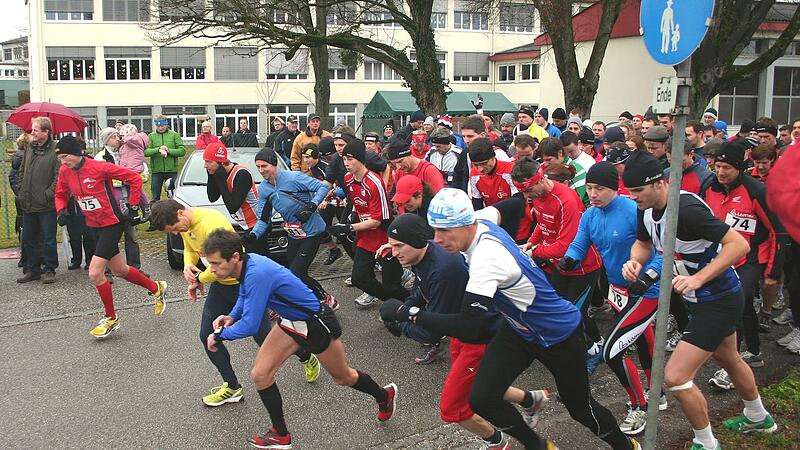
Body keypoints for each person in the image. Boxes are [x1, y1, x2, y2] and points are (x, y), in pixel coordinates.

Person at [418, 188, 640, 450]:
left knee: (580, 409)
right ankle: (538, 446)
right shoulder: (483, 218)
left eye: (446, 231)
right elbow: (513, 204)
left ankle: (626, 446)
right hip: (520, 330)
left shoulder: (487, 260)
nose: (438, 239)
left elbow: (469, 325)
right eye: (435, 230)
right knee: (482, 398)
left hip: (558, 333)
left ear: (468, 224)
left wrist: (411, 314)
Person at [622, 150, 777, 450]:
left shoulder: (686, 209)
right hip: (701, 297)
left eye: (638, 191)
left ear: (658, 183)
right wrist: (635, 262)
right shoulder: (645, 208)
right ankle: (758, 417)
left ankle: (706, 443)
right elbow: (643, 244)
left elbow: (738, 245)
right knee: (728, 357)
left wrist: (698, 278)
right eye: (630, 193)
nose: (634, 198)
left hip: (717, 297)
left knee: (676, 377)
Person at [202, 229, 397, 449]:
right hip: (290, 322)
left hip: (315, 323)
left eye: (216, 263)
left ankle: (384, 395)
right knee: (260, 374)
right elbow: (245, 295)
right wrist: (231, 316)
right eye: (211, 263)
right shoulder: (245, 265)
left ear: (235, 256)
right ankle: (280, 434)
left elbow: (251, 324)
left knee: (343, 377)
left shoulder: (256, 271)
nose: (213, 269)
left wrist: (219, 336)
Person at [378, 214, 551, 447]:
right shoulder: (422, 255)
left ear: (418, 241)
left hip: (479, 337)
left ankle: (499, 443)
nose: (394, 252)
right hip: (464, 331)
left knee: (452, 408)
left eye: (399, 246)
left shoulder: (443, 271)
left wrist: (401, 326)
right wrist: (405, 307)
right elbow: (422, 290)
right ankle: (531, 399)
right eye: (392, 245)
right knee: (476, 382)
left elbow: (431, 333)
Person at [149, 200, 320, 405]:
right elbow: (190, 248)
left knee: (263, 338)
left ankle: (305, 355)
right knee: (206, 334)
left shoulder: (212, 223)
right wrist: (187, 266)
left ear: (180, 213)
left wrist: (198, 280)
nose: (177, 233)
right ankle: (232, 386)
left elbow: (225, 265)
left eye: (175, 228)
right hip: (221, 286)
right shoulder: (185, 225)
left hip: (242, 284)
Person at [564, 162, 665, 436]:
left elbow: (661, 250)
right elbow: (580, 242)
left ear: (614, 188)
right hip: (617, 288)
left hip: (646, 290)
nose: (593, 193)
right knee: (642, 337)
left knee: (614, 350)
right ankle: (659, 390)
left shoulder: (635, 211)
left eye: (600, 188)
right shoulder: (590, 215)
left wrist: (650, 275)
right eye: (590, 187)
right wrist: (569, 260)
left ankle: (640, 406)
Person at [53, 136, 168, 338]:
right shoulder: (65, 171)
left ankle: (111, 317)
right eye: (60, 158)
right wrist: (61, 209)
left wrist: (133, 205)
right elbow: (60, 193)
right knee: (119, 270)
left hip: (112, 223)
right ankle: (156, 287)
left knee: (95, 272)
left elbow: (133, 178)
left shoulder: (99, 167)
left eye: (65, 157)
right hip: (93, 225)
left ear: (77, 154)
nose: (63, 162)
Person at [513, 159, 606, 373]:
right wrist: (531, 241)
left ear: (540, 179)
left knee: (571, 315)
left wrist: (533, 251)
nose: (527, 197)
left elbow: (566, 245)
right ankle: (597, 343)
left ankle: (588, 354)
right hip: (559, 266)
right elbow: (542, 224)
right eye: (522, 192)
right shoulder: (538, 197)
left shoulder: (566, 199)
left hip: (583, 267)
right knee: (562, 310)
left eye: (528, 190)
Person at [703, 140, 784, 381]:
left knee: (733, 300)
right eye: (717, 166)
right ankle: (755, 352)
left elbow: (777, 231)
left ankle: (732, 366)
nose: (720, 172)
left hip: (751, 257)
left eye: (727, 167)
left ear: (739, 167)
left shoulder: (756, 191)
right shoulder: (711, 188)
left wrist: (772, 272)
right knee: (744, 304)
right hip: (722, 256)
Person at [247, 148, 339, 311]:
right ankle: (308, 300)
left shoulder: (293, 177)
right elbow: (263, 220)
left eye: (264, 166)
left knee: (296, 273)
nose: (261, 171)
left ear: (274, 164)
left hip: (312, 231)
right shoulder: (264, 189)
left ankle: (325, 299)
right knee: (293, 273)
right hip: (294, 234)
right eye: (258, 167)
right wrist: (252, 236)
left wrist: (311, 206)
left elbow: (323, 187)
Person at [328, 139, 408, 308]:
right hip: (366, 234)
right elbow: (357, 202)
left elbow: (377, 221)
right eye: (344, 159)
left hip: (384, 236)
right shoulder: (348, 179)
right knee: (359, 278)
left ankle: (412, 305)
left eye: (351, 159)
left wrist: (348, 227)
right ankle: (394, 305)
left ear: (361, 159)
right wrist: (352, 215)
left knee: (392, 286)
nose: (347, 163)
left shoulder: (374, 182)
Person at [16, 117, 60, 284]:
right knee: (28, 237)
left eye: (35, 130)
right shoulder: (29, 148)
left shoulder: (55, 149)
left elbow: (58, 175)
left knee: (48, 238)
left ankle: (50, 269)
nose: (32, 132)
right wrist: (20, 190)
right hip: (27, 201)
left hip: (46, 203)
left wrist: (48, 194)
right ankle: (33, 269)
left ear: (46, 131)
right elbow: (22, 170)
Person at [95, 127, 145, 267]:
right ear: (106, 140)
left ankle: (134, 267)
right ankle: (108, 270)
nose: (118, 139)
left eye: (118, 136)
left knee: (132, 236)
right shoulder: (100, 157)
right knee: (110, 238)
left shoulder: (126, 152)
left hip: (128, 198)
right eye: (114, 137)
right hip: (111, 202)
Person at [203, 142, 260, 234]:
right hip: (242, 225)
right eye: (205, 161)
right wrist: (211, 176)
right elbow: (212, 198)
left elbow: (232, 207)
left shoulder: (241, 174)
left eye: (208, 162)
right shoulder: (217, 172)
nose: (205, 165)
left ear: (221, 163)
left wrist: (222, 182)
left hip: (255, 224)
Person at [302, 143, 344, 265]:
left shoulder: (325, 167)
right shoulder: (312, 169)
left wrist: (325, 199)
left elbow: (335, 184)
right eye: (304, 157)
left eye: (308, 157)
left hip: (339, 202)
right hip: (326, 202)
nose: (305, 160)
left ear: (315, 157)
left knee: (343, 233)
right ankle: (334, 249)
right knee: (320, 228)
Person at [145, 115, 186, 201]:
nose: (160, 128)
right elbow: (146, 152)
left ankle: (172, 212)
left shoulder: (174, 135)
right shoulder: (151, 136)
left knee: (172, 195)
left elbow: (182, 151)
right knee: (155, 196)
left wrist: (169, 151)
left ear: (167, 125)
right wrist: (158, 149)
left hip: (171, 170)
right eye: (158, 126)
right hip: (157, 171)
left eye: (162, 126)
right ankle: (154, 212)